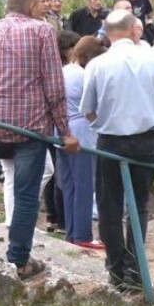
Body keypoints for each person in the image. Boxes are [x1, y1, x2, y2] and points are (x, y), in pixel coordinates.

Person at [0, 0, 79, 282]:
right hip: (30, 128)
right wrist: (65, 131)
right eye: (39, 6)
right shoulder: (42, 32)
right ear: (31, 8)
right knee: (26, 193)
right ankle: (19, 258)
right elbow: (54, 86)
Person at [80, 9, 154, 292]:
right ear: (133, 29)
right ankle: (134, 269)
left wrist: (106, 122)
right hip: (146, 141)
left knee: (110, 207)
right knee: (140, 205)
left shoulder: (98, 64)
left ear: (107, 34)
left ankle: (117, 270)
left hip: (112, 140)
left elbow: (87, 110)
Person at [57, 34, 106, 249]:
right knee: (84, 185)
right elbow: (90, 107)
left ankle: (71, 232)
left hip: (61, 130)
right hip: (80, 131)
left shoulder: (63, 71)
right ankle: (83, 234)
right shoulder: (82, 75)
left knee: (69, 185)